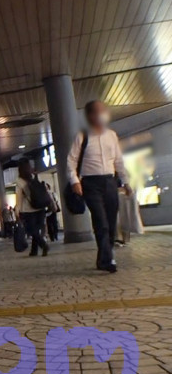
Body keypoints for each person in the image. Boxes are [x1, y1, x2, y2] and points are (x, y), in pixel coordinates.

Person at [68, 100, 131, 273]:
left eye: (103, 111)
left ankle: (104, 257)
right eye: (97, 111)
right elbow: (71, 161)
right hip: (90, 184)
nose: (102, 114)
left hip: (110, 182)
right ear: (90, 116)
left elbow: (118, 160)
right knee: (101, 221)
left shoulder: (111, 135)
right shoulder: (82, 136)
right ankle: (107, 260)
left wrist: (125, 181)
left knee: (110, 222)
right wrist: (75, 181)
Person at [15, 159, 50, 257]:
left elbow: (19, 198)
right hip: (40, 207)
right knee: (36, 230)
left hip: (28, 210)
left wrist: (17, 211)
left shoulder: (19, 181)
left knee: (31, 231)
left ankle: (43, 245)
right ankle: (34, 251)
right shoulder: (35, 176)